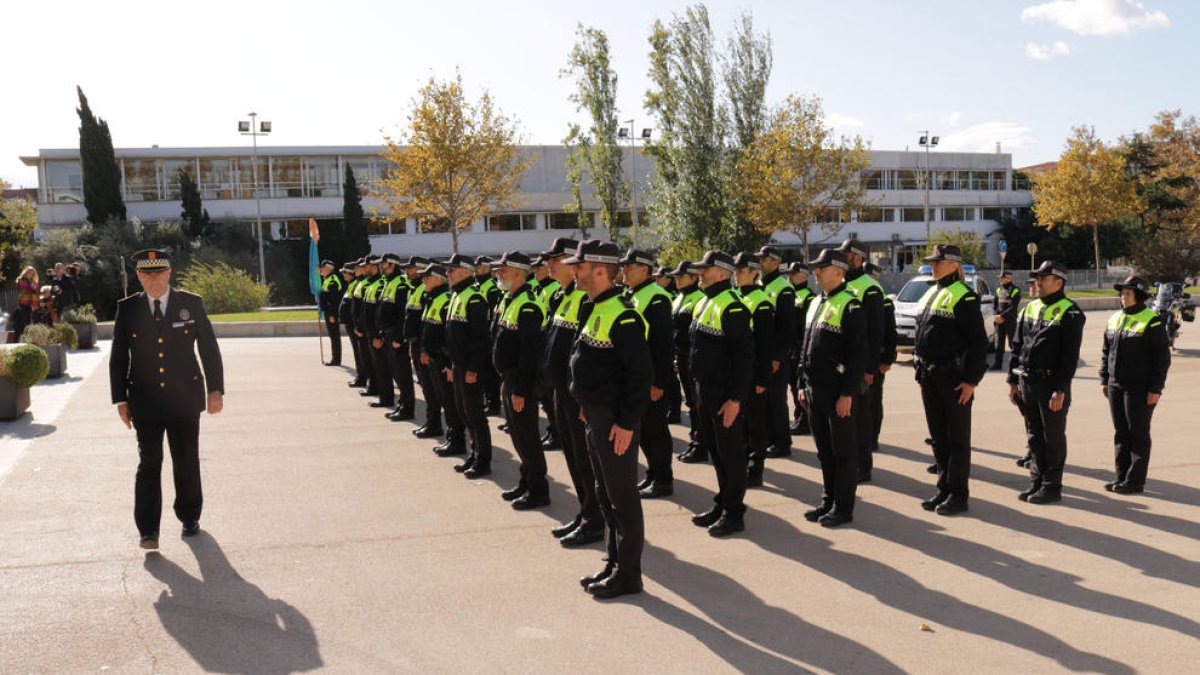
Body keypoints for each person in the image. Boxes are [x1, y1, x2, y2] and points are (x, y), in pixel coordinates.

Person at [109, 249, 224, 550]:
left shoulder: (191, 303)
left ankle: (189, 516)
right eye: (147, 273)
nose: (154, 278)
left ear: (170, 272)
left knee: (186, 459)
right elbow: (118, 357)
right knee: (149, 462)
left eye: (159, 272)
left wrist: (215, 390)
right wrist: (120, 399)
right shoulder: (128, 308)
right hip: (144, 400)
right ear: (138, 276)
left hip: (185, 397)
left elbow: (209, 348)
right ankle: (148, 530)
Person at [565, 239, 652, 598]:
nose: (574, 271)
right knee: (604, 493)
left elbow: (640, 375)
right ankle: (613, 563)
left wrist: (627, 423)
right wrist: (585, 401)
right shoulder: (595, 307)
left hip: (616, 420)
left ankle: (629, 574)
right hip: (596, 415)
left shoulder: (624, 314)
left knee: (622, 497)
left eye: (579, 266)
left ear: (600, 269)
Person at [912, 244, 988, 516]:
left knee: (956, 438)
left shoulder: (964, 297)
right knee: (938, 437)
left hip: (952, 377)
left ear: (955, 265)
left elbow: (978, 344)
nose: (933, 265)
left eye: (939, 262)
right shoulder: (932, 292)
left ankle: (958, 494)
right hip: (929, 374)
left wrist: (971, 380)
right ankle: (943, 488)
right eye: (932, 261)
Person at [541, 238, 604, 547]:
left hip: (575, 396)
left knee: (584, 458)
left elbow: (586, 355)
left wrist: (582, 396)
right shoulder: (562, 297)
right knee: (572, 455)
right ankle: (585, 511)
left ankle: (595, 519)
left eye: (557, 260)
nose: (551, 265)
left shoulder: (584, 300)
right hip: (560, 392)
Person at [796, 249, 866, 527]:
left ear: (838, 271)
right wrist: (802, 384)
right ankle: (828, 499)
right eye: (815, 268)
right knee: (824, 450)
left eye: (821, 268)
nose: (816, 273)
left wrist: (848, 393)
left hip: (838, 392)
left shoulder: (851, 306)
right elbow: (805, 348)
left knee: (843, 452)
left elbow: (858, 355)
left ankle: (843, 506)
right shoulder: (815, 303)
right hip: (815, 389)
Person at [688, 250, 754, 537]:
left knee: (730, 453)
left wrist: (735, 399)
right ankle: (722, 502)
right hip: (706, 390)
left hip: (724, 394)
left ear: (724, 274)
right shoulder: (707, 302)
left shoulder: (732, 307)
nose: (701, 273)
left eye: (707, 269)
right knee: (715, 450)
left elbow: (745, 358)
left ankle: (734, 512)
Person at [1008, 261, 1085, 505]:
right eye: (1037, 278)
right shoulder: (1031, 307)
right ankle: (1036, 482)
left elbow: (1069, 357)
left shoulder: (1070, 312)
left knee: (1052, 437)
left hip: (1052, 383)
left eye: (1043, 278)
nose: (1038, 282)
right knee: (1034, 436)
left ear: (1059, 282)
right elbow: (1017, 346)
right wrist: (1012, 380)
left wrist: (1060, 389)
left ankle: (1052, 486)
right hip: (1028, 381)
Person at [1101, 276, 1171, 494]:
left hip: (1139, 388)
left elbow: (1162, 359)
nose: (1123, 297)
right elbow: (1106, 352)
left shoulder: (1152, 320)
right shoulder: (1114, 319)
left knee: (1138, 433)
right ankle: (1121, 476)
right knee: (1121, 432)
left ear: (1139, 295)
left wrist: (1155, 389)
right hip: (1115, 385)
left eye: (1128, 293)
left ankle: (1135, 481)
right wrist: (1105, 378)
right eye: (1122, 293)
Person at [493, 251, 549, 510]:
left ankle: (538, 490)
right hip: (509, 379)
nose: (499, 274)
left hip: (520, 382)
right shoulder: (510, 300)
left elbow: (530, 353)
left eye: (504, 270)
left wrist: (521, 389)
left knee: (527, 437)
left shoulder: (528, 305)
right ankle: (526, 481)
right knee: (518, 436)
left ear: (518, 272)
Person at [619, 248, 676, 499]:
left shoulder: (657, 297)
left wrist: (659, 381)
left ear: (645, 269)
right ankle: (653, 473)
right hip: (634, 376)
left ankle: (664, 478)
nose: (625, 271)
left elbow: (663, 344)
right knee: (642, 429)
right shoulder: (628, 294)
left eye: (630, 267)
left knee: (656, 429)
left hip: (651, 378)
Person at [836, 239, 884, 483]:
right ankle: (850, 463)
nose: (842, 258)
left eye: (846, 255)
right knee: (847, 419)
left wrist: (870, 368)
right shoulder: (843, 284)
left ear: (857, 258)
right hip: (844, 362)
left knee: (862, 417)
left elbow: (876, 331)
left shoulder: (869, 287)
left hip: (862, 364)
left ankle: (863, 467)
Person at [417, 262, 467, 458]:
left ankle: (457, 442)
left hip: (443, 361)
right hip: (433, 359)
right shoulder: (434, 298)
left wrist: (448, 363)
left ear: (437, 278)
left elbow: (449, 337)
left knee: (451, 405)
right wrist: (424, 349)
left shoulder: (445, 299)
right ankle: (450, 438)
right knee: (443, 400)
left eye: (426, 277)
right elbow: (427, 329)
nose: (423, 280)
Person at [734, 253, 775, 488]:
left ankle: (755, 468)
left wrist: (762, 377)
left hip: (754, 373)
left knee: (755, 423)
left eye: (741, 271)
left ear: (753, 273)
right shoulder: (737, 296)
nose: (736, 275)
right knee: (741, 423)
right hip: (739, 371)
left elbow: (765, 343)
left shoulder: (761, 300)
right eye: (735, 271)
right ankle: (743, 462)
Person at [756, 246, 797, 459]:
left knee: (776, 400)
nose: (760, 263)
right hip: (761, 354)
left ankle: (782, 442)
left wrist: (777, 356)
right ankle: (770, 438)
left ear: (775, 262)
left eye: (764, 259)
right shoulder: (760, 285)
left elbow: (787, 327)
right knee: (764, 400)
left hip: (775, 356)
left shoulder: (783, 288)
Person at [670, 261, 709, 463]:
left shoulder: (700, 299)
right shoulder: (679, 298)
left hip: (693, 356)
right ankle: (695, 440)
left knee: (696, 403)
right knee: (691, 402)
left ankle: (701, 444)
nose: (677, 279)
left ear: (694, 277)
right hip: (681, 356)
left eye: (681, 276)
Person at [405, 256, 443, 439]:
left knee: (432, 389)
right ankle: (431, 422)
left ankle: (435, 424)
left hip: (425, 347)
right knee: (426, 387)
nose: (408, 272)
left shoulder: (426, 291)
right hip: (418, 345)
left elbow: (425, 326)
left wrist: (423, 348)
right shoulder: (419, 290)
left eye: (411, 269)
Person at [866, 262, 897, 452]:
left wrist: (888, 359)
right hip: (866, 357)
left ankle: (873, 436)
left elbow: (889, 332)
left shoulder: (883, 299)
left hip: (877, 358)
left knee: (874, 400)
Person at [474, 256, 503, 416]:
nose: (476, 270)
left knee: (490, 372)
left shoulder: (491, 288)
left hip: (488, 332)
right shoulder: (479, 286)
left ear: (487, 269)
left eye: (480, 267)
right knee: (484, 371)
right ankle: (488, 399)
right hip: (482, 332)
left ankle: (493, 403)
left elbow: (493, 314)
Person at [788, 262, 815, 436]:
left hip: (800, 347)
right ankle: (799, 416)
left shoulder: (809, 297)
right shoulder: (790, 294)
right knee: (793, 386)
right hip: (791, 348)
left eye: (794, 274)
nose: (789, 276)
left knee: (801, 386)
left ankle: (805, 420)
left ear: (804, 276)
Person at [339, 261, 367, 387]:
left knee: (359, 352)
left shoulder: (357, 284)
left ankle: (362, 377)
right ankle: (360, 376)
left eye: (345, 272)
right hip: (351, 324)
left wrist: (357, 324)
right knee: (357, 352)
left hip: (355, 324)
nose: (343, 275)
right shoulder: (352, 284)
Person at [991, 270, 1021, 370]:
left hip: (1010, 320)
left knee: (1013, 344)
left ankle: (1016, 365)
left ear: (1009, 278)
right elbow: (994, 304)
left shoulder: (1015, 290)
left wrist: (1002, 316)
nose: (1000, 279)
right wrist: (996, 315)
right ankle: (997, 365)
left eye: (1002, 278)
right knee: (998, 344)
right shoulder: (998, 289)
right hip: (999, 321)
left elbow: (1013, 307)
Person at [318, 260, 345, 366]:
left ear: (328, 269)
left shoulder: (332, 281)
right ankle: (335, 357)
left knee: (334, 336)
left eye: (322, 268)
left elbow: (334, 301)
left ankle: (336, 359)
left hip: (331, 313)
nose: (320, 270)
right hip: (329, 313)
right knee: (332, 336)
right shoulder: (327, 279)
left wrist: (332, 315)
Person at [13, 266, 38, 340]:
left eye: (32, 273)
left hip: (30, 304)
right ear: (26, 272)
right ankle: (17, 340)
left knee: (28, 322)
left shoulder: (33, 282)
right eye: (29, 272)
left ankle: (27, 340)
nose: (31, 274)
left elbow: (35, 293)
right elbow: (23, 288)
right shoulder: (20, 280)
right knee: (21, 323)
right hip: (22, 304)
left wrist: (35, 304)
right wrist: (30, 284)